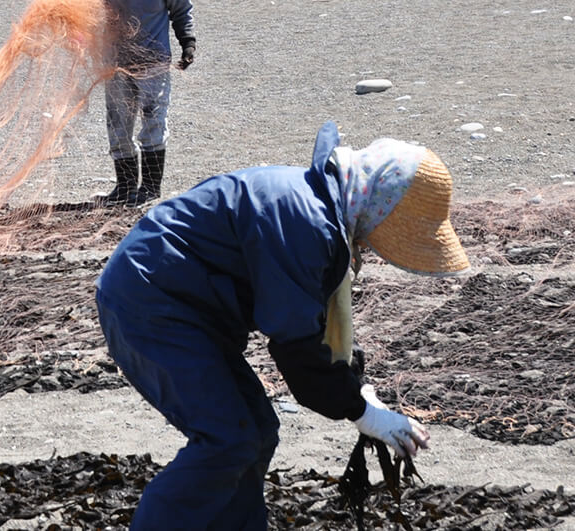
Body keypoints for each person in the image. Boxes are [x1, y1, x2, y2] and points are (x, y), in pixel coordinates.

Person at [95, 122, 466, 529]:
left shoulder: (324, 207)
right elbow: (299, 350)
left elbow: (317, 323)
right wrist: (362, 411)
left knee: (255, 430)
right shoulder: (306, 221)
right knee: (228, 439)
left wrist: (357, 389)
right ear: (381, 207)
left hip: (186, 309)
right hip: (150, 302)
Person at [85, 0, 195, 206]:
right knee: (119, 126)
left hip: (154, 63)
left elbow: (182, 11)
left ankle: (149, 189)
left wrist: (188, 44)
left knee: (154, 122)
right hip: (116, 64)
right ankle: (123, 189)